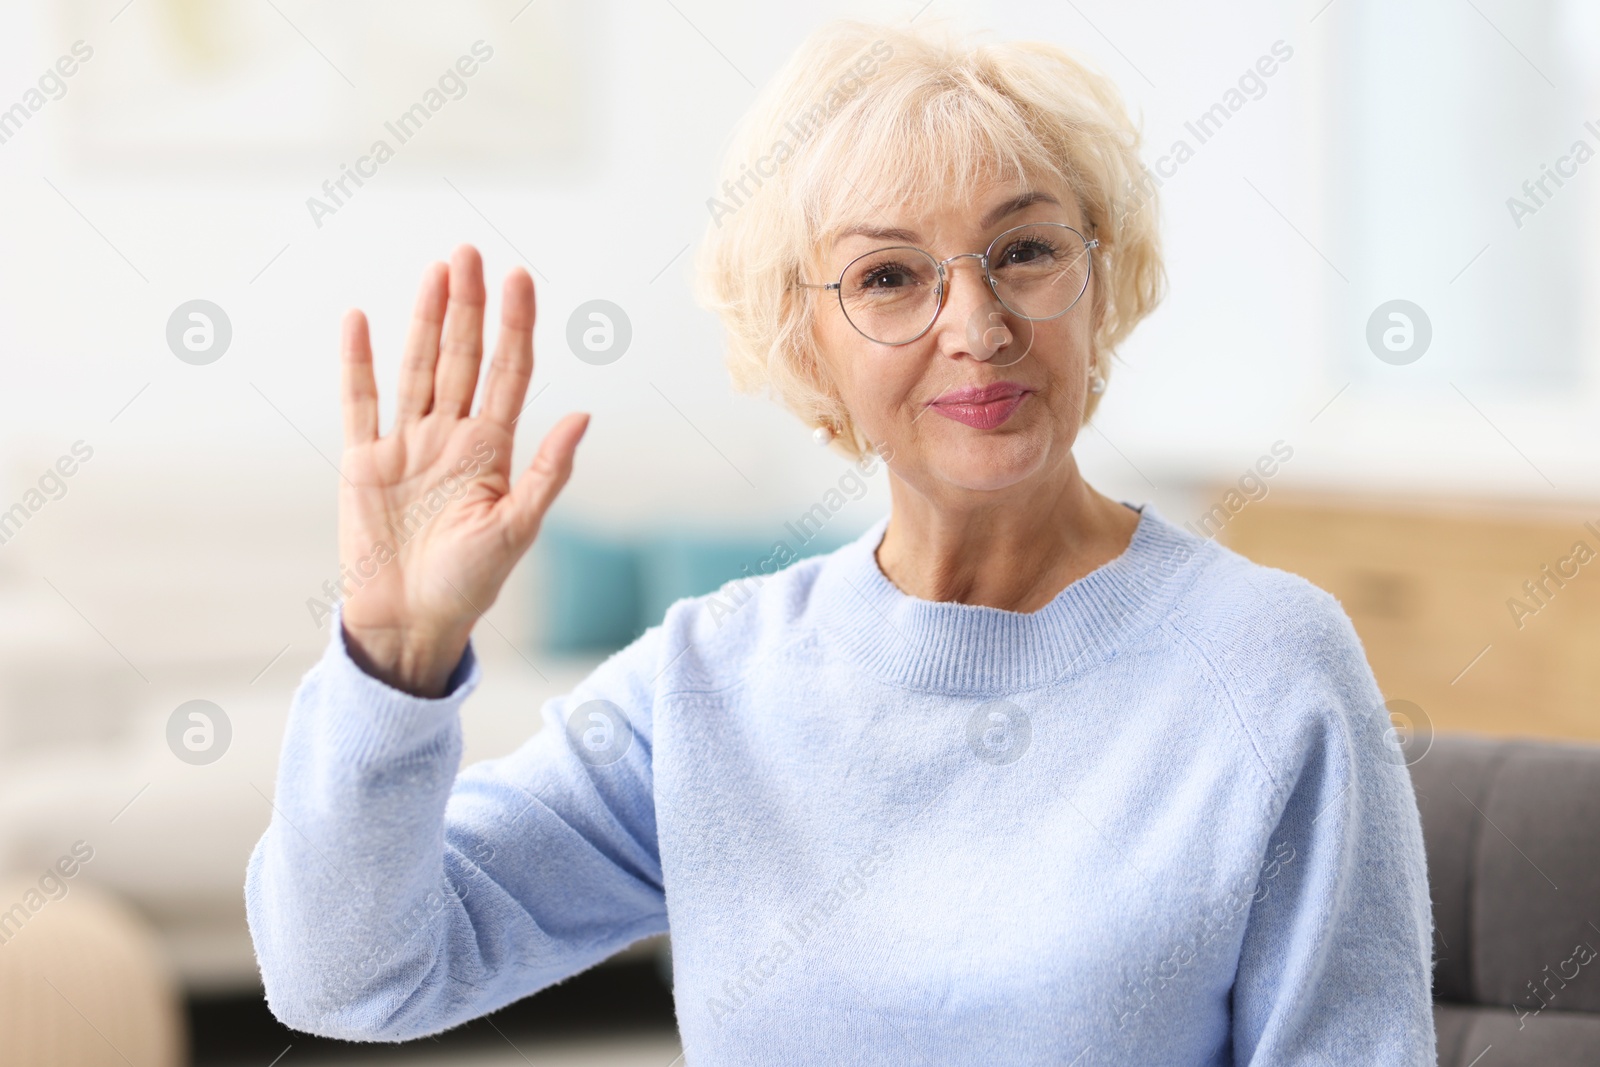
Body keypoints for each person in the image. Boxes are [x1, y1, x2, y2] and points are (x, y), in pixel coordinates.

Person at [245, 18, 1436, 1065]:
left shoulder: (1269, 665)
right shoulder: (711, 681)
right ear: (805, 343)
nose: (975, 326)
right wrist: (391, 659)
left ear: (1097, 276)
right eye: (887, 274)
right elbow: (350, 977)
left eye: (1024, 250)